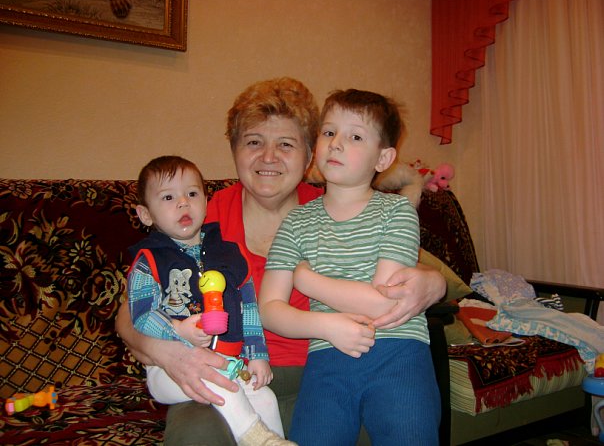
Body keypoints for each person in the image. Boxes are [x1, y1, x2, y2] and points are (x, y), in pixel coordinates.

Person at [115, 77, 446, 444]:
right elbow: (130, 312)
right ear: (235, 150)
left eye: (285, 144)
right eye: (253, 142)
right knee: (196, 435)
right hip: (232, 378)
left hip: (326, 369)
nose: (268, 157)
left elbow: (399, 266)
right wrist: (169, 354)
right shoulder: (196, 213)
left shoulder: (343, 204)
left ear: (309, 154)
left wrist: (436, 283)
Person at [258, 89, 440, 445]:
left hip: (398, 353)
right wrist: (326, 326)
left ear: (383, 158)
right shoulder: (296, 222)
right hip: (327, 357)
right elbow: (269, 308)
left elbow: (384, 303)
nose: (336, 143)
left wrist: (307, 280)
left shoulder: (397, 211)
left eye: (355, 136)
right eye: (329, 132)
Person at [126, 155, 292, 445]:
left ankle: (275, 440)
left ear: (205, 201)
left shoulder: (230, 253)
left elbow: (248, 307)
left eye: (192, 194)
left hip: (230, 361)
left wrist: (257, 354)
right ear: (146, 214)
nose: (183, 203)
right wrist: (176, 329)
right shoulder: (149, 261)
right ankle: (259, 439)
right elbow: (140, 315)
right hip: (169, 369)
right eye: (168, 197)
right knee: (221, 383)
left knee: (265, 397)